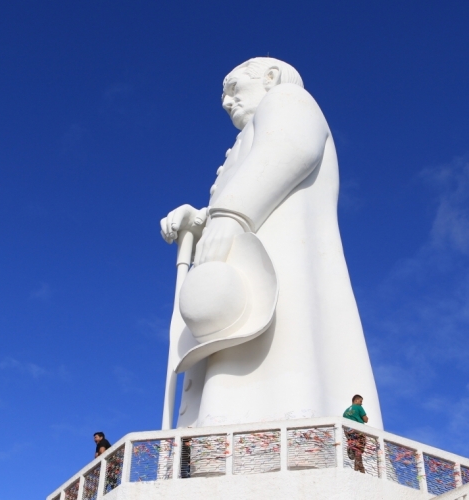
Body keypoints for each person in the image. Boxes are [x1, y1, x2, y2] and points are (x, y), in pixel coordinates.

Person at [160, 57, 383, 429]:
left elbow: (291, 147)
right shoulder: (248, 135)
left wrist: (231, 214)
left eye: (233, 90)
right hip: (246, 251)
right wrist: (200, 222)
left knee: (280, 345)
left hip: (278, 258)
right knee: (237, 353)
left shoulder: (287, 98)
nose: (227, 102)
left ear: (270, 77)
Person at [343, 395, 368, 473]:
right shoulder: (358, 407)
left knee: (356, 448)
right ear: (356, 400)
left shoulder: (345, 411)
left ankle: (359, 467)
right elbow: (366, 419)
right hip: (358, 431)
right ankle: (359, 467)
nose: (361, 403)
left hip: (348, 432)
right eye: (360, 401)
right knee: (360, 448)